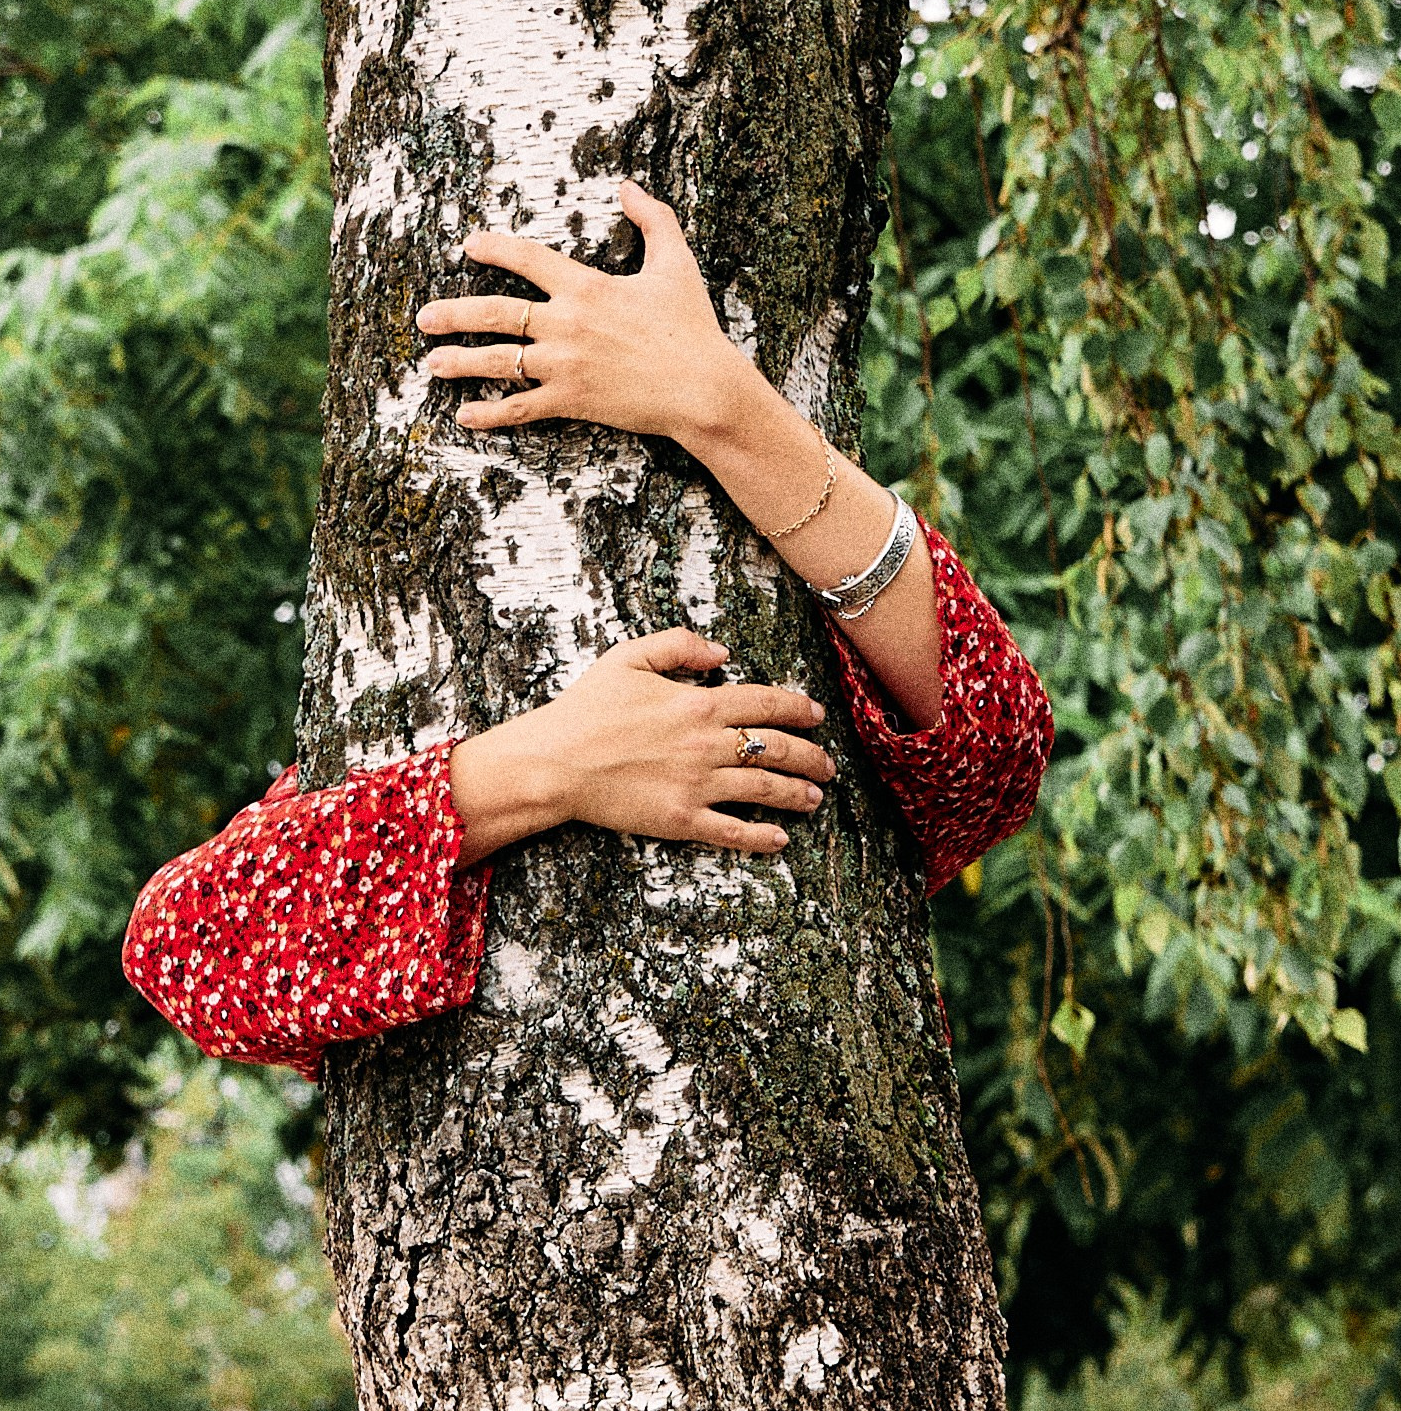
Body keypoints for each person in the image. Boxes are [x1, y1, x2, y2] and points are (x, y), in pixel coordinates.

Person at [122, 181, 1051, 1076]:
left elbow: (995, 752)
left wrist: (717, 402)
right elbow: (184, 953)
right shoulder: (360, 756)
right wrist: (554, 767)